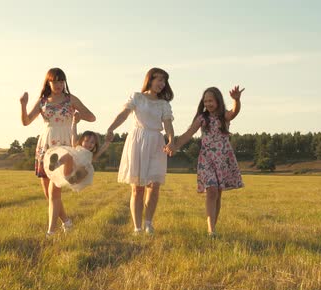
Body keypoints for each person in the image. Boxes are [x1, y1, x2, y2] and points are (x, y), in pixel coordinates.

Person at [20, 68, 96, 236]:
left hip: (64, 144)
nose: (59, 85)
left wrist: (78, 116)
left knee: (55, 192)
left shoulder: (70, 99)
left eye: (62, 81)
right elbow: (26, 122)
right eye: (55, 81)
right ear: (49, 82)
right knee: (48, 193)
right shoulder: (42, 101)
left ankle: (51, 232)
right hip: (46, 144)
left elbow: (92, 117)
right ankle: (67, 222)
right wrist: (23, 105)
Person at [166, 86, 245, 237]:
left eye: (211, 100)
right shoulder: (202, 118)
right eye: (205, 101)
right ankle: (211, 230)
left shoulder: (224, 116)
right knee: (211, 190)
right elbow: (188, 134)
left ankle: (213, 227)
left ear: (218, 101)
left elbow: (234, 112)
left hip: (223, 159)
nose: (208, 103)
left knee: (218, 194)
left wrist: (236, 100)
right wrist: (174, 146)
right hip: (207, 159)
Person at [105, 67, 175, 235]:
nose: (162, 83)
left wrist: (171, 140)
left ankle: (148, 224)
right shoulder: (137, 97)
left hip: (157, 142)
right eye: (159, 79)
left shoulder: (164, 104)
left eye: (164, 81)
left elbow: (168, 124)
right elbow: (124, 114)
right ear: (150, 80)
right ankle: (137, 227)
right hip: (137, 140)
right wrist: (111, 128)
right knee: (137, 188)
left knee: (154, 185)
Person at [44, 112, 110, 192]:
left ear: (95, 145)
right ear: (81, 141)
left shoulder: (92, 155)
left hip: (78, 176)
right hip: (69, 172)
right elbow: (73, 134)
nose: (89, 144)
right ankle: (55, 164)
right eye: (87, 141)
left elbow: (103, 149)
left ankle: (74, 178)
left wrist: (107, 141)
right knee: (68, 156)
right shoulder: (76, 147)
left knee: (85, 169)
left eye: (92, 142)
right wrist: (74, 122)